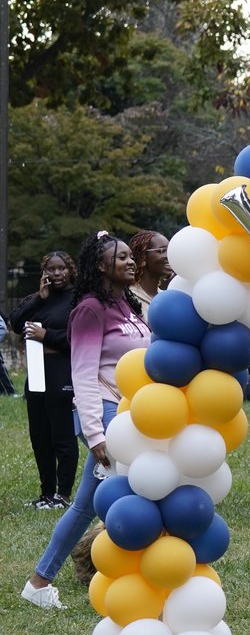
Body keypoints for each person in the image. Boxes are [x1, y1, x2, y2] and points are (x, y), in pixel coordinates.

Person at [21, 232, 151, 609]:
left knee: (85, 506)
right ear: (100, 266)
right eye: (122, 257)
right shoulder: (90, 309)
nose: (131, 262)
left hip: (132, 413)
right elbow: (83, 373)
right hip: (108, 416)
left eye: (131, 256)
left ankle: (40, 582)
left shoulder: (125, 306)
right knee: (121, 499)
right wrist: (95, 434)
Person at [12, 251, 80, 509]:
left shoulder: (77, 298)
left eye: (61, 268)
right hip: (37, 370)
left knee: (61, 436)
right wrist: (37, 300)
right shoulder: (39, 298)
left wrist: (46, 334)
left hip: (61, 369)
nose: (57, 274)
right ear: (45, 272)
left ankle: (63, 496)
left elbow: (77, 339)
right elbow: (16, 323)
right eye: (51, 269)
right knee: (40, 436)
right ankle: (46, 494)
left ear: (69, 269)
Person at [126, 230, 172, 312]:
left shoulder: (167, 297)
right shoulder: (129, 298)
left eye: (169, 250)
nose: (169, 255)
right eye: (161, 250)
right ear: (142, 257)